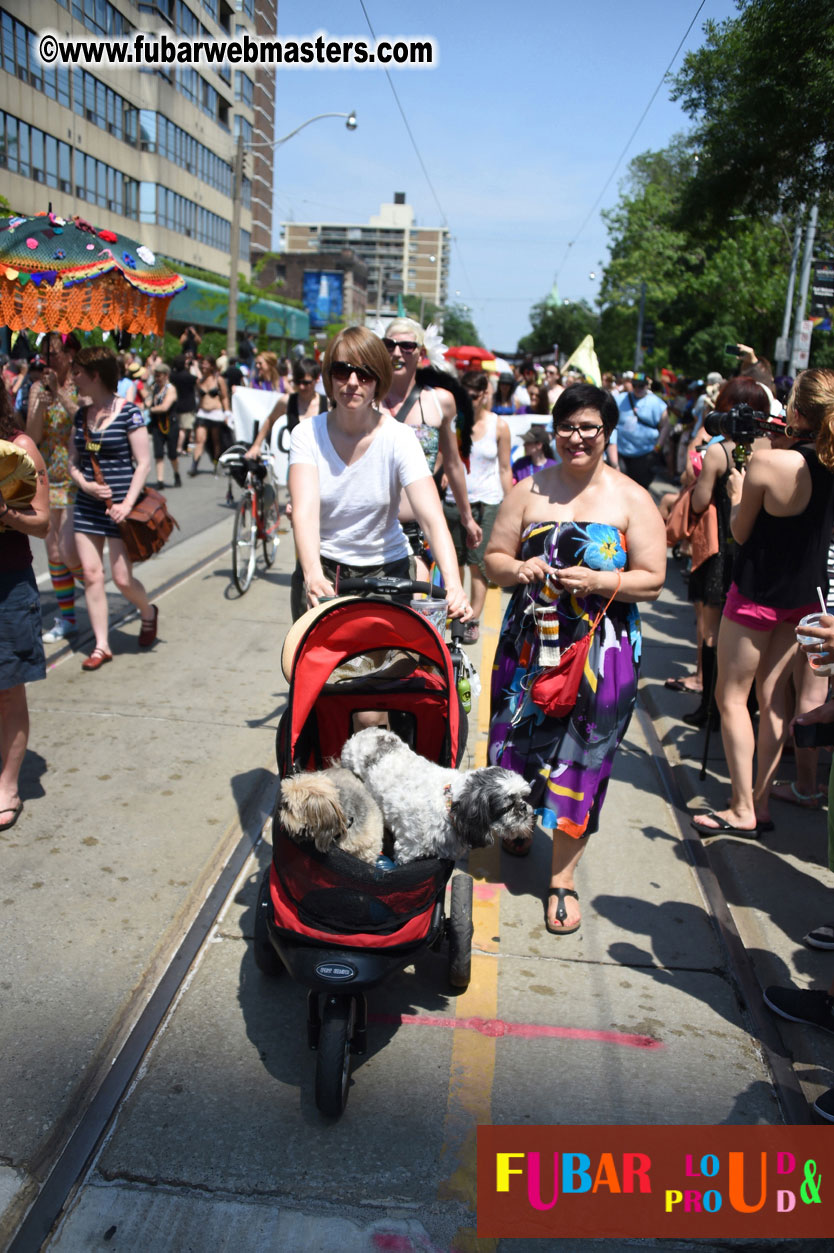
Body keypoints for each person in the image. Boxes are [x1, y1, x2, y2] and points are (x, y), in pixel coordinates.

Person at [485, 383, 666, 934]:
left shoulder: (633, 497)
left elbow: (653, 579)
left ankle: (561, 880)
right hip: (529, 644)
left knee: (584, 759)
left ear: (607, 432)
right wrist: (519, 569)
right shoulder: (528, 489)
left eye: (589, 427)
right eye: (567, 426)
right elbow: (493, 558)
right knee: (514, 743)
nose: (577, 437)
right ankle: (519, 824)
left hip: (602, 652)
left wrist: (600, 580)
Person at [692, 368, 834, 836]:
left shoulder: (770, 463)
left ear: (798, 411)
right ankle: (760, 802)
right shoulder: (828, 461)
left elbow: (739, 531)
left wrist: (737, 493)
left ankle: (740, 808)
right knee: (774, 698)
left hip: (758, 592)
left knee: (732, 697)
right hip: (804, 597)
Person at [288, 326, 471, 619]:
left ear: (379, 380)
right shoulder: (307, 434)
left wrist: (454, 584)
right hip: (324, 568)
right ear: (329, 376)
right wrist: (312, 573)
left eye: (365, 374)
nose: (352, 382)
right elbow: (305, 510)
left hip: (388, 571)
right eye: (342, 371)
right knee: (310, 649)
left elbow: (431, 517)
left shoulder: (399, 437)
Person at [677, 378, 772, 717]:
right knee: (752, 633)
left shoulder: (720, 451)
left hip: (720, 551)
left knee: (712, 630)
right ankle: (747, 704)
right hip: (759, 553)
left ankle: (711, 707)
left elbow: (699, 502)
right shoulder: (774, 449)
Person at [67, 346, 158, 670]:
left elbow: (143, 463)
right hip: (88, 507)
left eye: (77, 372)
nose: (73, 378)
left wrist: (127, 504)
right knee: (92, 575)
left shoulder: (129, 412)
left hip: (122, 511)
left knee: (122, 579)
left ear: (95, 375)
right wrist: (84, 483)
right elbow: (72, 461)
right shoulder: (81, 415)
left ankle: (147, 611)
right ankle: (101, 645)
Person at [381, 317, 481, 579]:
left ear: (422, 352)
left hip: (419, 528)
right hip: (370, 527)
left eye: (406, 346)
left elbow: (453, 463)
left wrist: (467, 517)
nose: (397, 353)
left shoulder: (440, 401)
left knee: (416, 600)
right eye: (389, 345)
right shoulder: (366, 399)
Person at [0, 379, 50, 831]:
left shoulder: (20, 448)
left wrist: (5, 513)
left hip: (8, 583)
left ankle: (8, 785)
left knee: (8, 688)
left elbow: (42, 522)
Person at [444, 371, 512, 644]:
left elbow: (505, 468)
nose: (467, 400)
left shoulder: (499, 426)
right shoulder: (454, 422)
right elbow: (445, 456)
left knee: (477, 564)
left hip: (486, 503)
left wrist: (511, 505)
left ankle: (472, 619)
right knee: (454, 562)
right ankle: (459, 609)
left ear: (484, 395)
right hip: (454, 500)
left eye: (472, 396)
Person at [25, 333, 83, 644]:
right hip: (47, 478)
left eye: (55, 353)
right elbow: (32, 436)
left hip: (76, 478)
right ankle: (68, 618)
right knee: (54, 552)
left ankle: (94, 587)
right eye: (45, 353)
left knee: (70, 552)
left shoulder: (80, 385)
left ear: (71, 354)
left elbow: (83, 421)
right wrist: (40, 406)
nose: (49, 359)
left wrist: (59, 394)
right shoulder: (37, 388)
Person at [615, 371, 668, 488]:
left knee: (640, 488)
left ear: (647, 385)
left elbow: (665, 426)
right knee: (620, 487)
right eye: (635, 385)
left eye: (641, 385)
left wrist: (658, 447)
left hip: (645, 454)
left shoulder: (657, 403)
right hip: (621, 452)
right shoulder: (620, 399)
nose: (638, 388)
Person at [188, 356, 230, 475]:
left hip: (216, 413)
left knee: (216, 440)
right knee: (199, 439)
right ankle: (194, 465)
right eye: (202, 364)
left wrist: (227, 412)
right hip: (203, 413)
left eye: (206, 364)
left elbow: (225, 397)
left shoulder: (218, 379)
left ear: (212, 366)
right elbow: (198, 397)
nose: (203, 366)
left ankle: (216, 464)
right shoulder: (199, 381)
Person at [147, 362, 181, 488]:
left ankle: (176, 473)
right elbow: (149, 400)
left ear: (166, 375)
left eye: (159, 376)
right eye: (155, 376)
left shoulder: (171, 389)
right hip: (157, 424)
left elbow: (165, 407)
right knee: (158, 453)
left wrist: (150, 409)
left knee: (172, 454)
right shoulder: (155, 388)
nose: (157, 379)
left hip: (170, 424)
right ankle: (160, 480)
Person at [170, 354, 197, 458]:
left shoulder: (172, 375)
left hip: (176, 404)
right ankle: (179, 448)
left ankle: (180, 446)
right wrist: (195, 367)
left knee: (178, 427)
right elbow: (198, 380)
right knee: (184, 429)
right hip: (187, 405)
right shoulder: (187, 376)